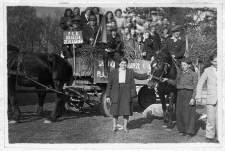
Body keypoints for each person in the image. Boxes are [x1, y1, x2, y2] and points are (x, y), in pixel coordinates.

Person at [106, 57, 150, 133]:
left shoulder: (130, 71)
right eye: (122, 63)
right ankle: (114, 127)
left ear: (127, 64)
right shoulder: (113, 72)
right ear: (119, 64)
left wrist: (147, 74)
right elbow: (109, 85)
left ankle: (125, 127)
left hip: (126, 93)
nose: (123, 65)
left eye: (125, 64)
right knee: (115, 111)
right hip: (116, 93)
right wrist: (108, 96)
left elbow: (139, 76)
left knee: (126, 111)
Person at [162, 57, 198, 137]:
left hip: (189, 94)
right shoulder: (180, 74)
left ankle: (189, 132)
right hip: (180, 93)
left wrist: (193, 98)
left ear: (189, 65)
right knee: (180, 112)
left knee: (189, 113)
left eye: (185, 65)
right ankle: (182, 130)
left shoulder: (193, 74)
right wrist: (167, 80)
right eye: (182, 65)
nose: (183, 67)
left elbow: (196, 87)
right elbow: (175, 83)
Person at [195, 53, 218, 143]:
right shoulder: (207, 71)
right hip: (211, 98)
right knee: (211, 119)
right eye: (215, 61)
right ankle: (209, 136)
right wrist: (198, 97)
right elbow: (200, 84)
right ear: (212, 62)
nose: (217, 63)